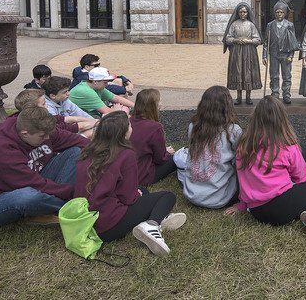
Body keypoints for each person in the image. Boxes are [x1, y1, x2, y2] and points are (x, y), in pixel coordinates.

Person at [225, 96, 306, 244]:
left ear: (255, 118)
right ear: (282, 118)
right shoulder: (287, 146)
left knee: (302, 194)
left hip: (257, 212)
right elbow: (303, 178)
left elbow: (244, 181)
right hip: (281, 209)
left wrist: (242, 205)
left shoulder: (243, 145)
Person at [74, 111, 186, 256]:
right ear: (123, 132)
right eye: (129, 125)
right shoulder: (126, 154)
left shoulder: (88, 151)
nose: (132, 127)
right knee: (167, 196)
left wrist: (136, 192)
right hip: (108, 226)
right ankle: (152, 226)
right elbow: (127, 197)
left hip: (87, 221)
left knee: (143, 191)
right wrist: (135, 194)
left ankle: (159, 218)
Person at [0, 106, 86, 227]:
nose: (47, 138)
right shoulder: (0, 150)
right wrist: (74, 192)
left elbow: (77, 141)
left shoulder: (39, 128)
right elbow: (34, 184)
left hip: (32, 179)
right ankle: (71, 205)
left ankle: (48, 208)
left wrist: (101, 150)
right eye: (42, 136)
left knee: (75, 152)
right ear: (25, 134)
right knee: (28, 196)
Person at [182, 85, 242, 209]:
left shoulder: (193, 126)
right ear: (227, 106)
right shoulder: (232, 130)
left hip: (191, 193)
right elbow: (240, 159)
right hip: (220, 197)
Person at [129, 88, 176, 186]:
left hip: (126, 172)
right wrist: (166, 153)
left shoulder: (128, 121)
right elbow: (160, 159)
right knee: (176, 158)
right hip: (142, 175)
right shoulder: (154, 127)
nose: (161, 104)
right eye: (159, 101)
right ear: (153, 106)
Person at [11, 88, 96, 137]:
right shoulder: (36, 124)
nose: (47, 106)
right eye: (44, 104)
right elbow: (69, 131)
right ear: (31, 108)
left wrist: (96, 121)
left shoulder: (44, 116)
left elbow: (70, 119)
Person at [222, 2, 262, 105]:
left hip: (249, 52)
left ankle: (248, 97)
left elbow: (258, 39)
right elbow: (227, 38)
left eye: (244, 12)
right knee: (238, 72)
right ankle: (238, 97)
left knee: (248, 72)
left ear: (248, 13)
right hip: (237, 52)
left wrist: (248, 41)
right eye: (240, 12)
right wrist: (235, 40)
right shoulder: (234, 24)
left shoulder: (251, 25)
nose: (242, 14)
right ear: (238, 13)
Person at [263, 0, 299, 104]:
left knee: (286, 75)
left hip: (286, 54)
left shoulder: (289, 25)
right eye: (277, 12)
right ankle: (275, 93)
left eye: (282, 12)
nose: (279, 14)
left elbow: (293, 42)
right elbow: (266, 42)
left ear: (285, 13)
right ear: (274, 13)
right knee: (274, 75)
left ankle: (286, 94)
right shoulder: (270, 25)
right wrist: (264, 56)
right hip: (273, 54)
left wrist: (291, 55)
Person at [69, 67, 134, 118]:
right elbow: (108, 112)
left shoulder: (95, 86)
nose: (107, 84)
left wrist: (137, 106)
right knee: (122, 113)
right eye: (105, 82)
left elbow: (116, 98)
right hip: (79, 120)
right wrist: (117, 109)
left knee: (124, 108)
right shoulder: (86, 91)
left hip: (89, 115)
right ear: (95, 81)